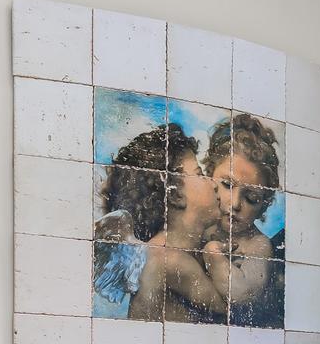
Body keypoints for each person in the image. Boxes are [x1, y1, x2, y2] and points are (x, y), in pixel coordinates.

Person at [90, 123, 226, 321]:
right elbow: (227, 311)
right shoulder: (169, 260)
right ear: (174, 194)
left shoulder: (167, 251)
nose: (213, 183)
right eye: (199, 174)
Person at [199, 113, 285, 327]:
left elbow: (243, 293)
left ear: (264, 204)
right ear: (209, 176)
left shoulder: (258, 245)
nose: (235, 203)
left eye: (251, 198)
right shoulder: (199, 225)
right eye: (227, 185)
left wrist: (213, 255)